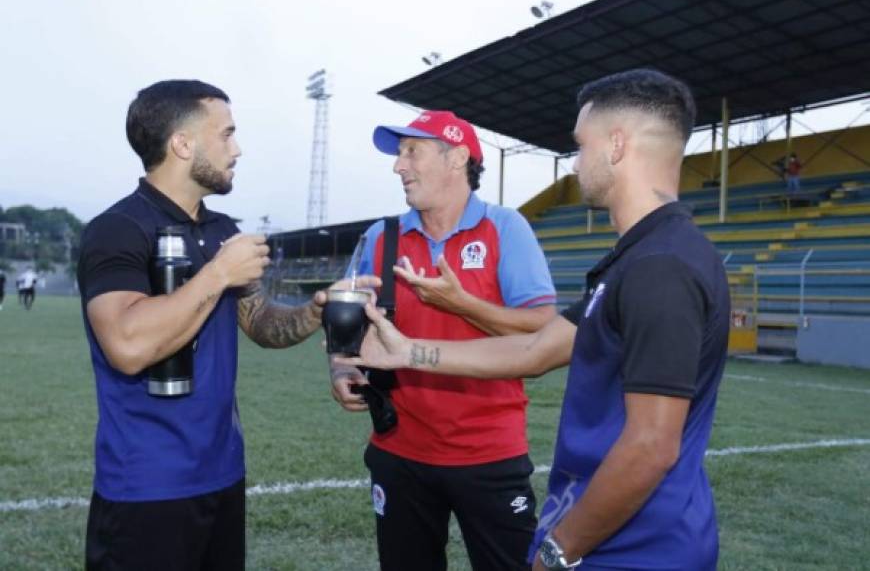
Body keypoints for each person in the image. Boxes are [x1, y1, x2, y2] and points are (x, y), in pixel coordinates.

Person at [338, 69, 730, 571]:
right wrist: (408, 351)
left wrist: (558, 550)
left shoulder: (661, 267)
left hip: (641, 548)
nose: (576, 162)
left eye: (580, 145)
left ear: (615, 145)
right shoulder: (635, 258)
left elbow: (651, 447)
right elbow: (535, 350)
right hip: (615, 535)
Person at [77, 79, 378, 571]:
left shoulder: (223, 232)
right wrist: (218, 273)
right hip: (146, 485)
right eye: (226, 134)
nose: (237, 149)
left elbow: (259, 321)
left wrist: (316, 309)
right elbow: (127, 345)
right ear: (182, 143)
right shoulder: (118, 229)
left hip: (221, 474)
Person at [330, 110, 557, 570]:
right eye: (399, 155)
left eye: (412, 151)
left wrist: (463, 304)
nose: (399, 166)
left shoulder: (505, 228)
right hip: (398, 451)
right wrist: (341, 365)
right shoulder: (381, 237)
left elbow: (542, 331)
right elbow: (347, 320)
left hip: (489, 452)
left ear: (456, 158)